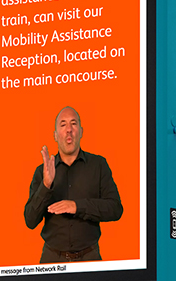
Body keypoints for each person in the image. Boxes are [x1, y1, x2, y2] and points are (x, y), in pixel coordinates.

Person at [24, 106, 123, 263]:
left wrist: (78, 206)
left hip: (89, 258)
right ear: (55, 135)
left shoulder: (98, 165)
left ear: (81, 131)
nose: (69, 129)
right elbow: (30, 220)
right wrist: (46, 185)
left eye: (73, 124)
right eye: (63, 125)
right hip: (52, 260)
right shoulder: (41, 172)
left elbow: (115, 209)